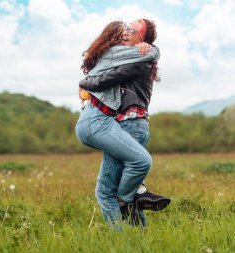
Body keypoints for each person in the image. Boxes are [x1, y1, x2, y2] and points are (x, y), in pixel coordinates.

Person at [76, 19, 170, 229]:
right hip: (126, 125)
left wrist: (86, 83)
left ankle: (122, 230)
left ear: (141, 40)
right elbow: (96, 58)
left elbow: (105, 79)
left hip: (130, 125)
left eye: (133, 30)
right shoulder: (127, 58)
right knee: (128, 190)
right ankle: (138, 229)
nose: (126, 32)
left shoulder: (138, 61)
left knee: (106, 191)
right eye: (126, 27)